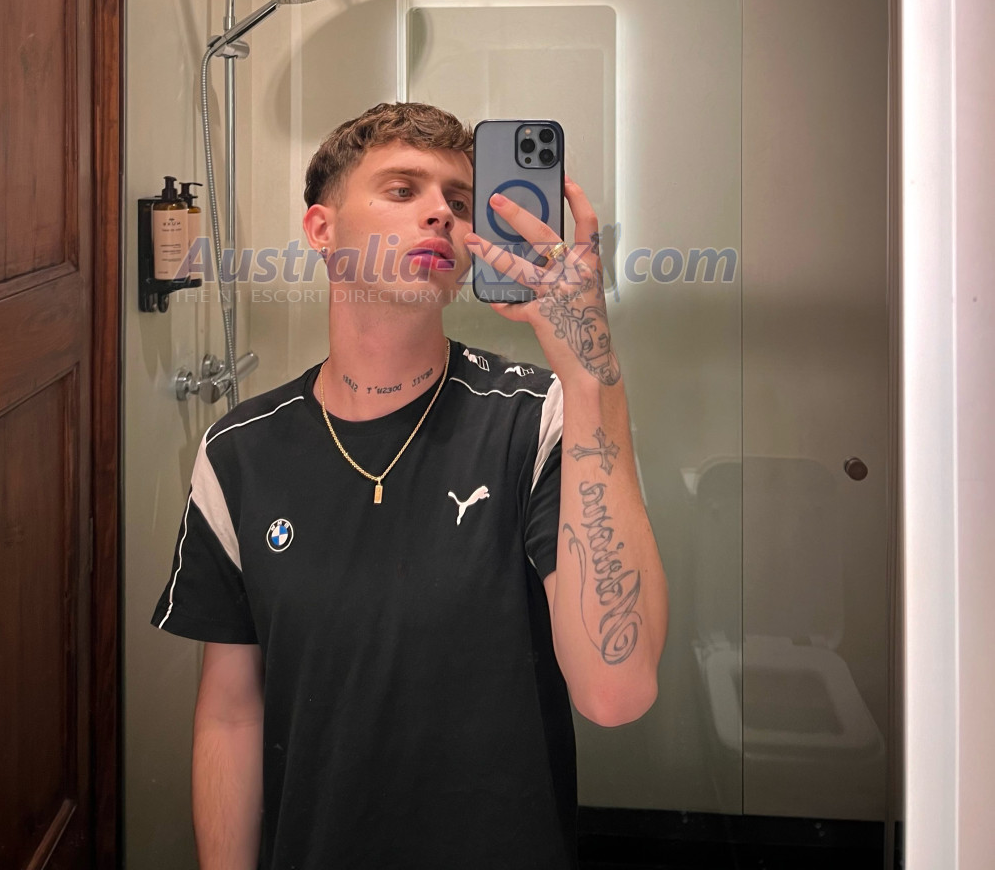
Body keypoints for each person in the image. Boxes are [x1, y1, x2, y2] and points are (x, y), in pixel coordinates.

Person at [151, 101, 668, 870]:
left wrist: (590, 370)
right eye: (402, 190)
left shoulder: (537, 419)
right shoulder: (239, 454)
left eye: (459, 201)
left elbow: (614, 692)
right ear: (321, 230)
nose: (440, 214)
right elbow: (231, 714)